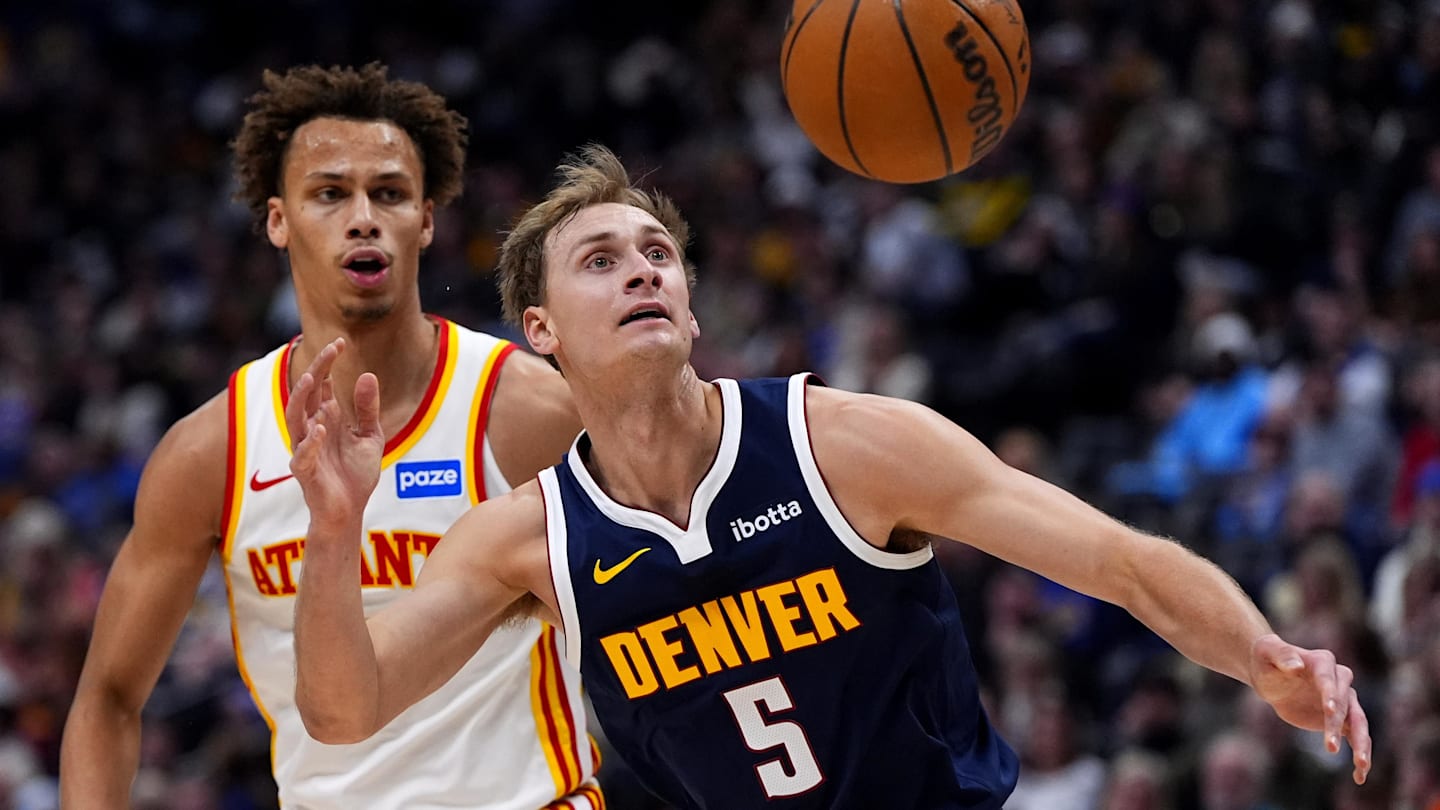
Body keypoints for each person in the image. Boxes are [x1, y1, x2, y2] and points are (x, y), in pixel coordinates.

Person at [286, 145, 1372, 810]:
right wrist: (334, 538)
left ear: (694, 307)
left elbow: (1122, 561)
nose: (643, 272)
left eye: (658, 255)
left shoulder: (840, 445)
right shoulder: (526, 539)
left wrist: (1262, 655)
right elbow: (345, 709)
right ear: (541, 332)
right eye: (602, 261)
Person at [59, 64, 603, 810]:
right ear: (278, 219)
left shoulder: (528, 410)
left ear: (428, 217)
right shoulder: (211, 453)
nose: (362, 217)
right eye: (329, 193)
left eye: (389, 193)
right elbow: (108, 699)